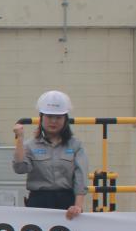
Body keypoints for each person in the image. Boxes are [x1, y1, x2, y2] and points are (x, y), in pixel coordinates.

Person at [12, 90, 88, 219]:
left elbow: (80, 177)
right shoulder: (30, 145)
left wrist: (78, 206)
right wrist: (19, 139)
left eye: (58, 117)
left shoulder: (75, 145)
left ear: (65, 119)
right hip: (38, 202)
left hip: (67, 203)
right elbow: (20, 168)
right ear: (41, 117)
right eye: (49, 116)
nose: (53, 121)